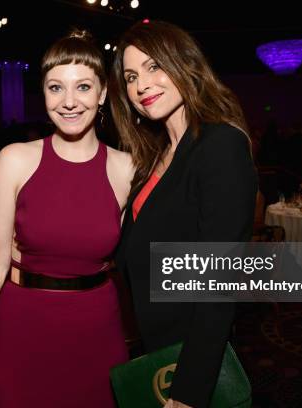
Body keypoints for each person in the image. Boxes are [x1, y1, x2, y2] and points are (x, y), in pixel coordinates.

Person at [0, 30, 134, 408]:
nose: (68, 102)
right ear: (43, 94)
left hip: (97, 328)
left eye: (82, 87)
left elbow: (135, 260)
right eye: (55, 87)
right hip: (23, 325)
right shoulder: (15, 159)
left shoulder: (127, 167)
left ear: (102, 95)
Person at [109, 20, 257, 408]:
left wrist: (189, 391)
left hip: (190, 361)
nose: (142, 85)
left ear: (184, 64)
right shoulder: (156, 156)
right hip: (155, 343)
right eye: (130, 76)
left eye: (154, 66)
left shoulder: (220, 144)